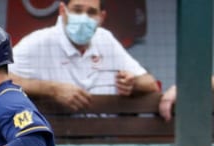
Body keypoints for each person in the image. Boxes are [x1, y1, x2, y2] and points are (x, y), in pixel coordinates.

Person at [9, 0, 159, 112]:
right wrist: (52, 89)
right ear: (62, 10)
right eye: (77, 10)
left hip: (104, 141)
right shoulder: (40, 42)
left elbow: (149, 83)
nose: (83, 18)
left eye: (91, 12)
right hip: (54, 141)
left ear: (101, 17)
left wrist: (132, 83)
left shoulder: (105, 39)